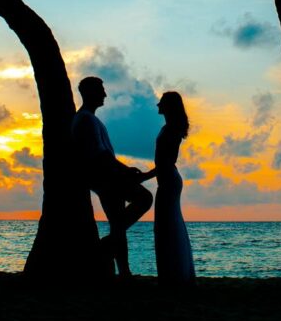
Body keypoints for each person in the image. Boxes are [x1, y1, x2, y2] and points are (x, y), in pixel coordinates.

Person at [71, 76, 153, 277]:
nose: (105, 94)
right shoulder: (86, 119)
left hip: (106, 178)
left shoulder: (88, 119)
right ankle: (103, 251)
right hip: (107, 179)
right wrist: (125, 171)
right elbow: (100, 155)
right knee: (144, 199)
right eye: (101, 90)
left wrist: (124, 170)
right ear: (90, 93)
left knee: (118, 222)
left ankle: (123, 270)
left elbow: (102, 154)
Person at [141, 91, 196, 285]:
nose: (157, 106)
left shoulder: (171, 129)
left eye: (161, 103)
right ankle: (174, 273)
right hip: (167, 180)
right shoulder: (170, 127)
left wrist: (145, 176)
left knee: (167, 226)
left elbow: (167, 161)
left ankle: (173, 275)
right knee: (168, 225)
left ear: (169, 106)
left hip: (169, 181)